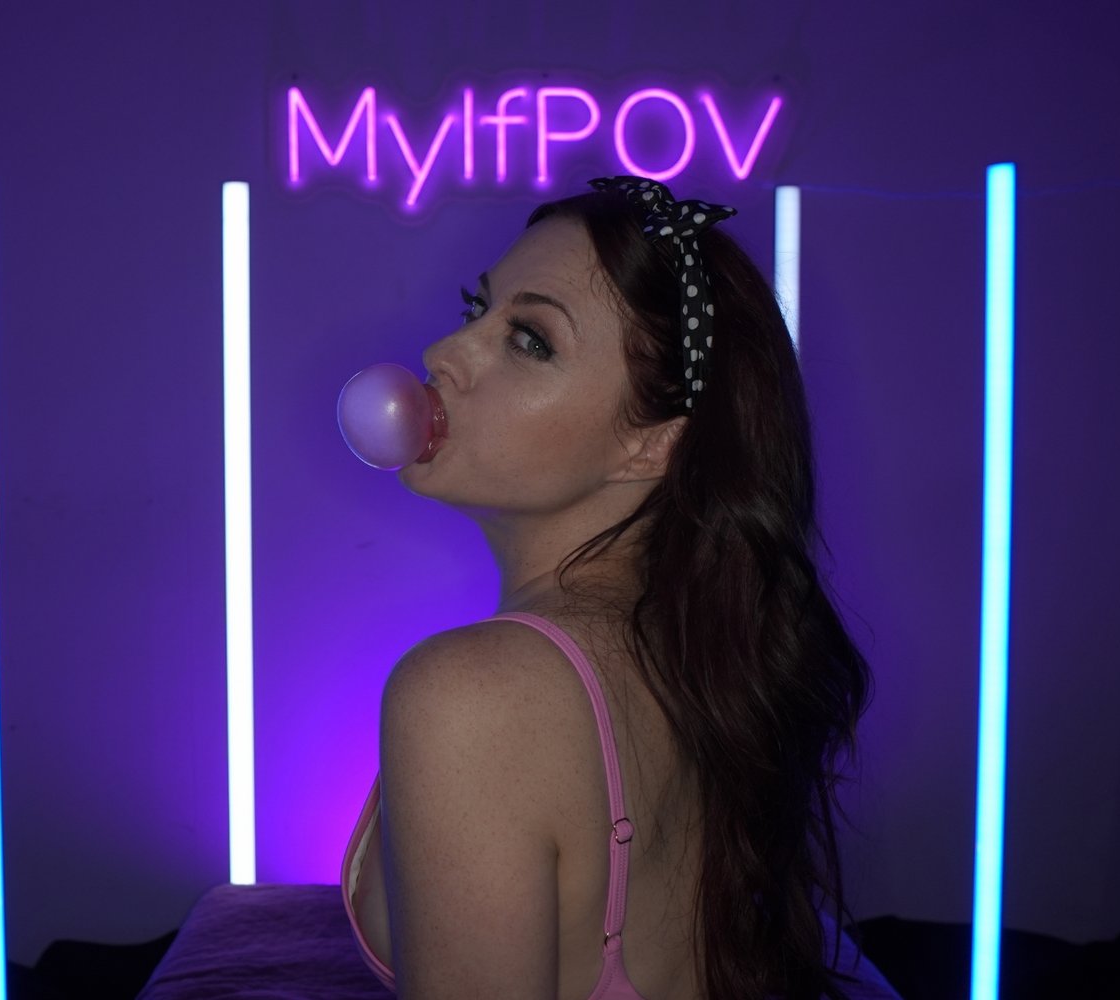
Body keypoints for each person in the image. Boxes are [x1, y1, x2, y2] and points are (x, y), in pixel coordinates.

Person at [341, 177, 897, 1000]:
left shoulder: (471, 697)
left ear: (652, 444)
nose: (443, 354)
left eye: (528, 340)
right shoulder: (696, 660)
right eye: (476, 309)